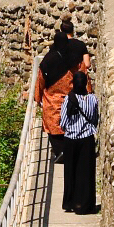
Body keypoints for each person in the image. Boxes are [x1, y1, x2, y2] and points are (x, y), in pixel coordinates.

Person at [32, 21, 88, 161]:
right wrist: (87, 92)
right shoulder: (75, 59)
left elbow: (40, 81)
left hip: (53, 99)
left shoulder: (48, 60)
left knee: (53, 124)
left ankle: (60, 151)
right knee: (72, 122)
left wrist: (37, 98)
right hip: (71, 97)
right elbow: (83, 74)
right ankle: (72, 150)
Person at [59, 69, 100, 215]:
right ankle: (85, 205)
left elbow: (63, 122)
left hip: (71, 140)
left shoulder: (68, 99)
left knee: (71, 172)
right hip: (87, 139)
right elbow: (95, 119)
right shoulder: (93, 99)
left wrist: (70, 129)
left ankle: (71, 202)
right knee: (86, 172)